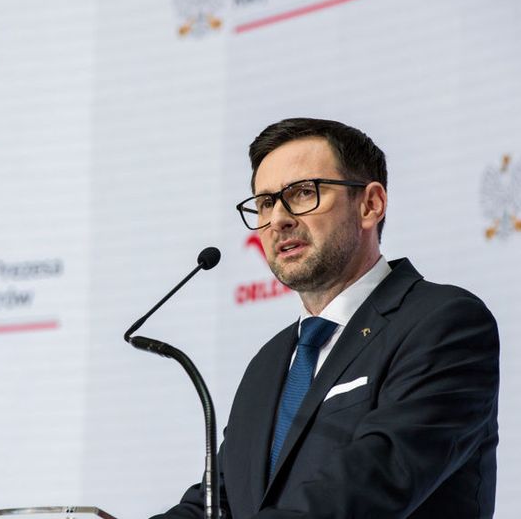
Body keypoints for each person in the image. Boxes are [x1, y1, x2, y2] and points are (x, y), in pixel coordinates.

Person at [152, 118, 499, 519]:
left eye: (302, 193)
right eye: (265, 203)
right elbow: (219, 502)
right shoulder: (269, 363)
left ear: (370, 205)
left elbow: (371, 483)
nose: (278, 219)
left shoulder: (442, 323)